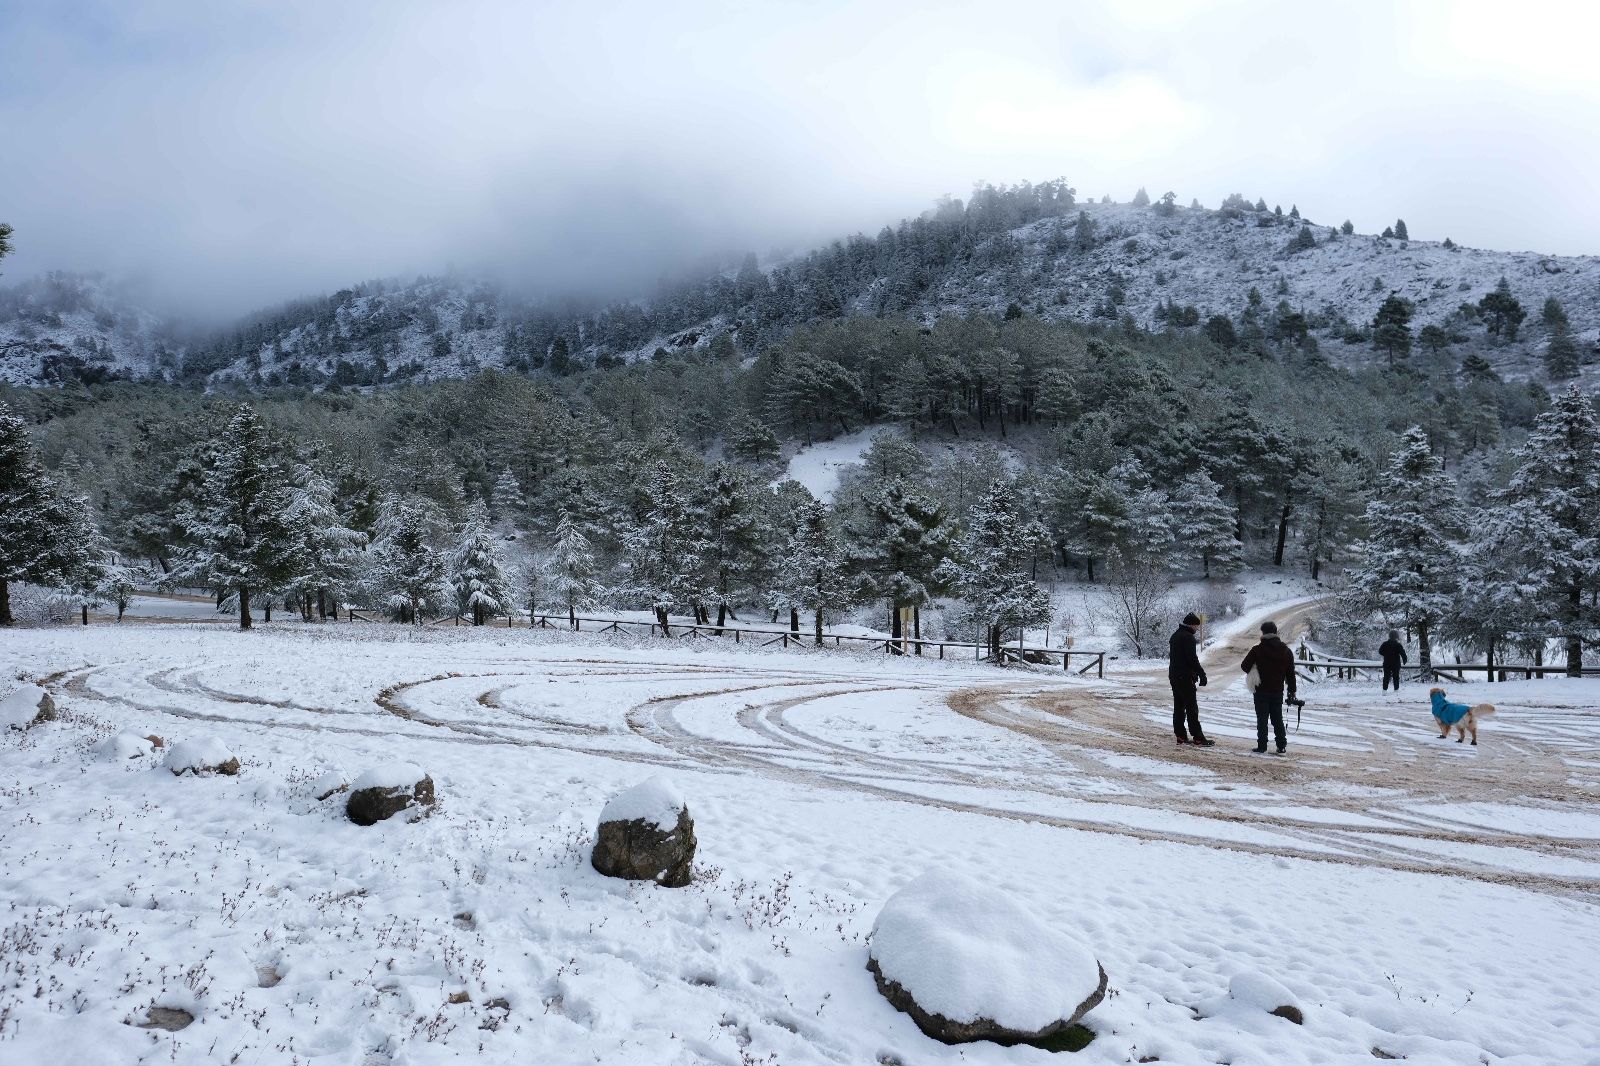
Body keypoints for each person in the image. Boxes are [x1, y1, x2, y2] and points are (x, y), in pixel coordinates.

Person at [1241, 620, 1296, 755]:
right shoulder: (1286, 650)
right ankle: (1281, 746)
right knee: (1277, 719)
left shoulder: (1257, 649)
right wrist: (1292, 690)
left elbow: (1244, 666)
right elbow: (1290, 673)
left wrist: (1255, 667)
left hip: (1261, 690)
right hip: (1277, 691)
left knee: (1262, 719)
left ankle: (1262, 746)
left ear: (1263, 633)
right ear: (1276, 632)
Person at [1167, 611, 1212, 746]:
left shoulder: (1175, 635)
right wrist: (1201, 674)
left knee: (1179, 706)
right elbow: (1192, 659)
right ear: (1191, 625)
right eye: (1196, 626)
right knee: (1191, 707)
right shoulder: (1188, 637)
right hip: (1185, 677)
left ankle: (1180, 735)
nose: (1197, 629)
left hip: (1174, 676)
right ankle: (1198, 737)